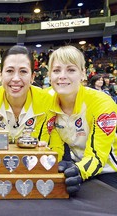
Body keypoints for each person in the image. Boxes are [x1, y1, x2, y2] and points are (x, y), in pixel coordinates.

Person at [47, 45, 117, 195]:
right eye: (56, 70)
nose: (62, 76)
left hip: (109, 171)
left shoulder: (102, 102)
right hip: (77, 167)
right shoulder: (47, 100)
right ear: (49, 75)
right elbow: (55, 147)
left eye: (71, 70)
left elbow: (98, 156)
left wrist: (79, 171)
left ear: (83, 74)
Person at [0, 45, 52, 145]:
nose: (16, 78)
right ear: (1, 75)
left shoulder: (47, 101)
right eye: (10, 71)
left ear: (32, 77)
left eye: (23, 71)